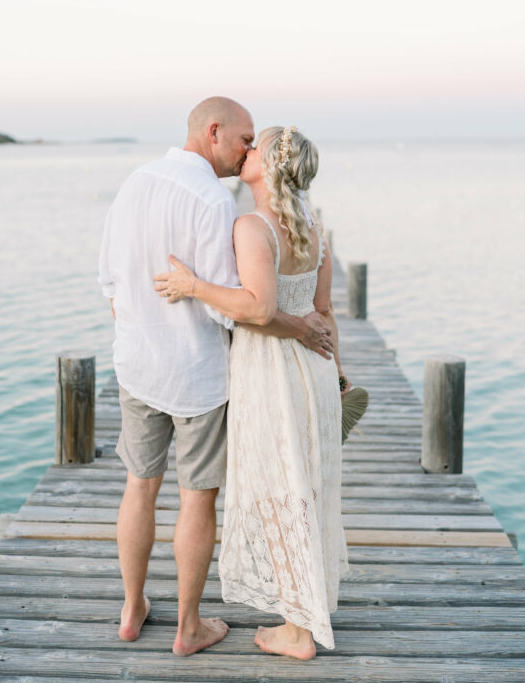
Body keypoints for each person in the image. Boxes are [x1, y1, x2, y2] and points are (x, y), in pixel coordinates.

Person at [98, 100, 335, 657]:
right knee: (196, 499)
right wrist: (301, 328)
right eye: (243, 139)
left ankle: (132, 610)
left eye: (256, 145)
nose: (246, 151)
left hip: (137, 364)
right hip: (199, 373)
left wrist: (142, 331)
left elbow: (109, 280)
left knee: (139, 484)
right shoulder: (213, 199)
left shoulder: (134, 182)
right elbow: (241, 309)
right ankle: (188, 626)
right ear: (214, 134)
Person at [155, 125, 349, 660]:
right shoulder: (315, 226)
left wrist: (192, 286)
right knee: (305, 486)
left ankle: (298, 630)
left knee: (277, 488)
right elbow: (325, 310)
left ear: (271, 164)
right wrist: (339, 371)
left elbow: (257, 308)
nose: (247, 151)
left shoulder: (253, 225)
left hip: (270, 370)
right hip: (312, 367)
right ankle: (301, 616)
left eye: (256, 146)